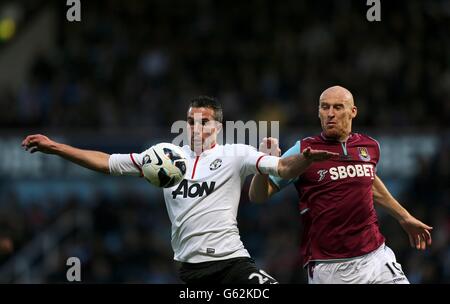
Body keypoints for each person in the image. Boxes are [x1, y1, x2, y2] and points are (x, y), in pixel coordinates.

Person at [22, 96, 336, 284]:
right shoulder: (164, 157)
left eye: (203, 122)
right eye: (190, 121)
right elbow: (107, 162)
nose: (195, 128)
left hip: (232, 262)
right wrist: (56, 147)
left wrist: (304, 159)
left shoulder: (235, 154)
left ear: (217, 128)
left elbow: (281, 169)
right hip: (189, 269)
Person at [249, 86, 433, 284]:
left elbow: (368, 182)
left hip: (376, 257)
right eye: (325, 107)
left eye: (337, 107)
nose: (330, 114)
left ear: (353, 111)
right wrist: (263, 165)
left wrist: (404, 217)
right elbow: (257, 195)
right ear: (318, 112)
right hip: (330, 268)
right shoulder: (303, 150)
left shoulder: (369, 146)